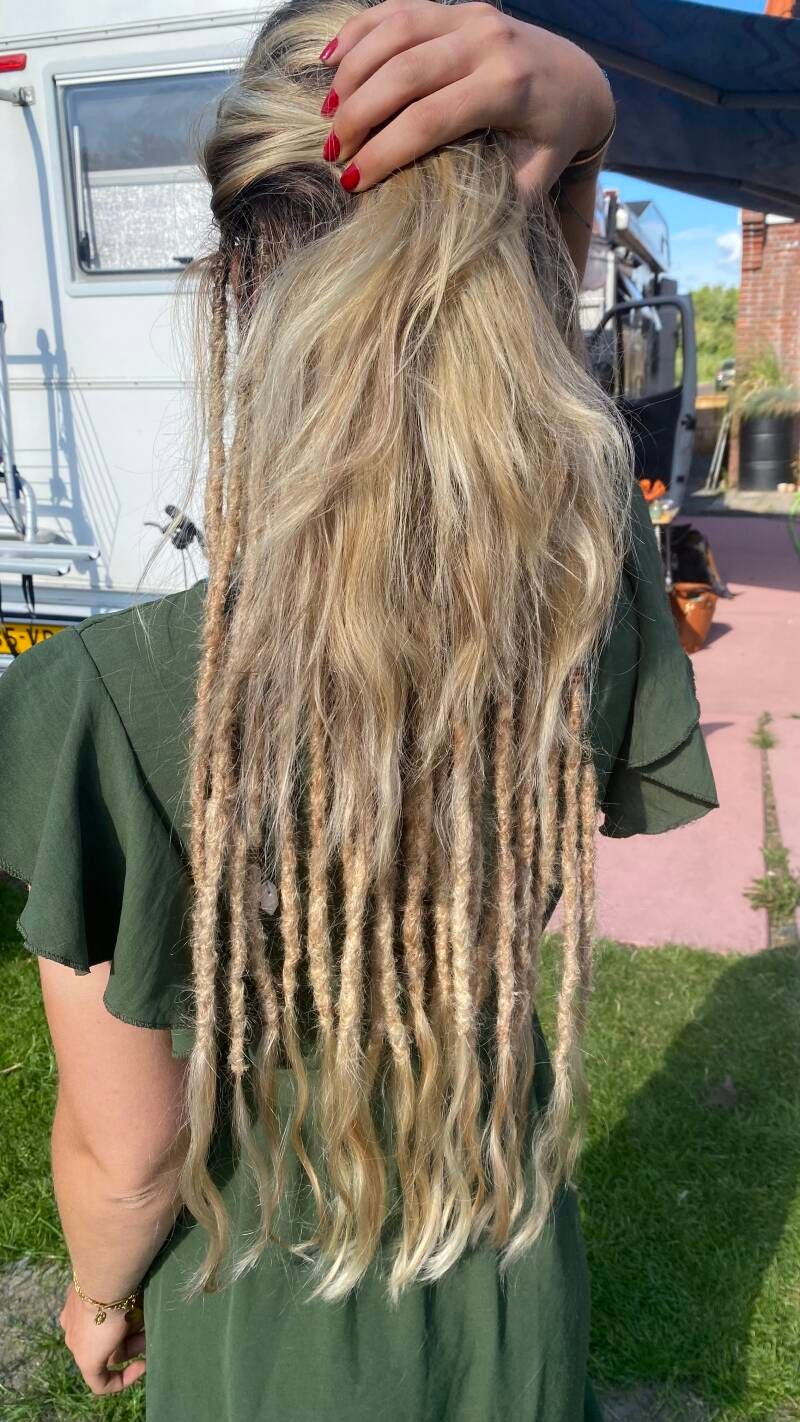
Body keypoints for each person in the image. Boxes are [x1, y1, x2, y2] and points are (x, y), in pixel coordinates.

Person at [0, 1, 719, 1417]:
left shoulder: (109, 706)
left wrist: (95, 1296)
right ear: (510, 283)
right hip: (510, 1300)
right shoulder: (578, 613)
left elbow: (132, 1159)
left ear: (235, 287)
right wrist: (584, 126)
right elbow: (542, 415)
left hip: (270, 1340)